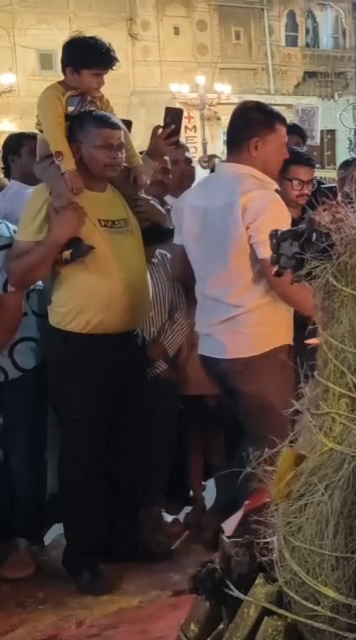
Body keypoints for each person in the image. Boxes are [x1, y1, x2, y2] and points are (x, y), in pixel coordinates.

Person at [6, 110, 156, 595]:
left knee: (129, 447)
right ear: (76, 151)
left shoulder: (115, 194)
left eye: (119, 146)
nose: (116, 154)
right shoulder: (52, 198)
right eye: (104, 146)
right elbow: (18, 272)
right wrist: (59, 234)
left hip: (126, 342)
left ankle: (120, 538)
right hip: (79, 345)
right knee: (83, 455)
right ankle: (83, 557)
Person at [171, 101, 314, 541]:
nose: (283, 157)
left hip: (214, 344)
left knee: (239, 444)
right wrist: (324, 311)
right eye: (278, 148)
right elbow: (280, 275)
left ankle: (217, 524)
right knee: (272, 449)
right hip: (257, 345)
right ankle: (258, 542)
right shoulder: (261, 198)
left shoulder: (194, 197)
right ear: (255, 145)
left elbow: (179, 270)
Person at [33, 36, 167, 242]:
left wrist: (134, 163)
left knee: (130, 186)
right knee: (65, 192)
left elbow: (119, 130)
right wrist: (69, 170)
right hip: (52, 157)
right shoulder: (52, 96)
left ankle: (143, 230)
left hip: (86, 157)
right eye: (96, 75)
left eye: (103, 75)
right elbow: (55, 136)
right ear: (70, 72)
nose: (101, 82)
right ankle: (68, 241)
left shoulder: (98, 99)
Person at [136, 225, 190, 543]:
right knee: (132, 450)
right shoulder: (118, 268)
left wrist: (163, 353)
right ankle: (131, 518)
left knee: (161, 448)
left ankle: (153, 513)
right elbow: (121, 322)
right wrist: (156, 364)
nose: (155, 252)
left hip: (164, 374)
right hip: (131, 376)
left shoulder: (165, 264)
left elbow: (181, 312)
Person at [0, 217, 47, 581]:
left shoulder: (4, 235)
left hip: (15, 364)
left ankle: (25, 542)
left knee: (22, 458)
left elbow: (10, 307)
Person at [278, 147, 320, 383]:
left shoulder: (316, 223)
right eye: (297, 183)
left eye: (310, 183)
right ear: (279, 179)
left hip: (311, 324)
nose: (305, 190)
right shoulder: (271, 222)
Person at [0, 132, 39, 225]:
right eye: (34, 152)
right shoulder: (3, 204)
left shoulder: (53, 193)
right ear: (12, 160)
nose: (40, 158)